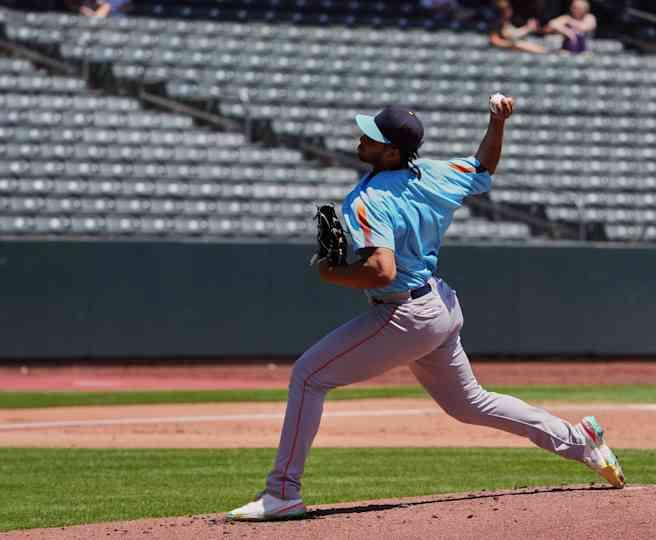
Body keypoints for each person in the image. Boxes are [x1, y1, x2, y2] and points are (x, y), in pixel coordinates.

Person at [226, 97, 626, 522]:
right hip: (437, 305)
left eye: (373, 137)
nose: (362, 139)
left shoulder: (367, 199)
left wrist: (331, 271)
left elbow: (382, 271)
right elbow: (484, 167)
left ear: (392, 152)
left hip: (403, 315)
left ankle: (282, 492)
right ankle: (579, 440)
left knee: (308, 376)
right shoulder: (434, 174)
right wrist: (496, 122)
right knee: (470, 404)